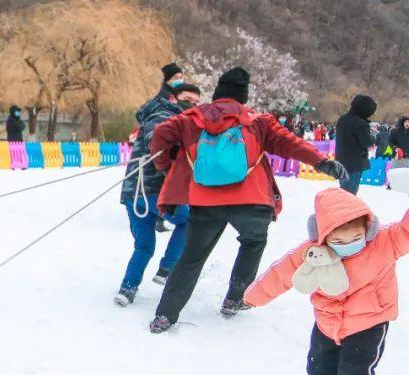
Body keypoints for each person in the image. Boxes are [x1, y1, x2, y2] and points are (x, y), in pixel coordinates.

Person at [148, 66, 348, 333]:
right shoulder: (256, 120)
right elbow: (290, 143)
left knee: (191, 257)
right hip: (251, 200)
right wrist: (322, 162)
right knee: (253, 242)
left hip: (205, 201)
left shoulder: (190, 118)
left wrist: (165, 163)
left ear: (217, 92)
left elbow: (161, 134)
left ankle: (165, 315)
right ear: (242, 96)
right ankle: (235, 298)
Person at [243, 187, 409, 375]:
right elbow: (281, 274)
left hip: (369, 322)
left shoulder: (386, 241)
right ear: (323, 236)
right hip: (328, 322)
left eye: (356, 238)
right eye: (339, 240)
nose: (349, 244)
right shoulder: (312, 252)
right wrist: (253, 297)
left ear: (367, 228)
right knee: (318, 368)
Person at [115, 83, 201, 307]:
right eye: (187, 99)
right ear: (173, 98)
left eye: (195, 102)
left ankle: (127, 289)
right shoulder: (163, 115)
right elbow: (158, 137)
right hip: (151, 191)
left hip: (135, 192)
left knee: (144, 245)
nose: (191, 105)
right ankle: (167, 268)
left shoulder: (166, 116)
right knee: (190, 221)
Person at [334, 94, 377, 195]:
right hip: (354, 164)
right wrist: (373, 137)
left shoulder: (342, 119)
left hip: (341, 161)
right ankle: (346, 210)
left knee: (343, 190)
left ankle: (341, 209)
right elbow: (367, 142)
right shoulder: (361, 124)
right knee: (350, 194)